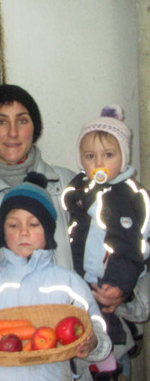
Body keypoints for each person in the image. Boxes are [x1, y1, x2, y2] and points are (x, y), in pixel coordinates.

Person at [0, 85, 150, 380]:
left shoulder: (74, 188)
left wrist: (126, 292)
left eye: (22, 119)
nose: (13, 133)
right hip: (10, 366)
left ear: (35, 127)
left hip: (94, 359)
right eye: (0, 121)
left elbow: (133, 245)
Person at [0, 173, 112, 380]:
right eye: (13, 225)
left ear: (48, 231)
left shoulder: (69, 284)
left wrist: (94, 342)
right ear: (2, 232)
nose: (23, 232)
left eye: (34, 224)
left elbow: (97, 327)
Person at [62, 105, 150, 379]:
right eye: (90, 156)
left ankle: (110, 365)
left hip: (108, 280)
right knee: (84, 325)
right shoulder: (83, 187)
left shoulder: (125, 196)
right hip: (82, 276)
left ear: (123, 158)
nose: (98, 163)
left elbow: (128, 247)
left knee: (104, 322)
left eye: (108, 155)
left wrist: (118, 285)